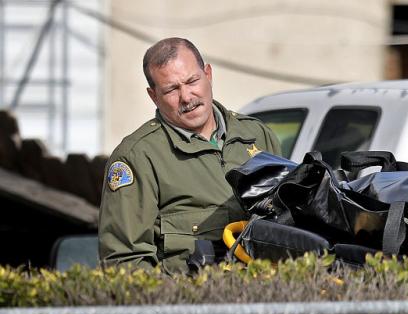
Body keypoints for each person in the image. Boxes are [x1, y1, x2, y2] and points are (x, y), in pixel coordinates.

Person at [98, 37, 280, 274]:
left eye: (192, 81)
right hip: (192, 306)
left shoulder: (257, 135)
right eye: (172, 89)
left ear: (208, 74)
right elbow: (124, 263)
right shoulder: (137, 158)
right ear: (153, 96)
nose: (186, 97)